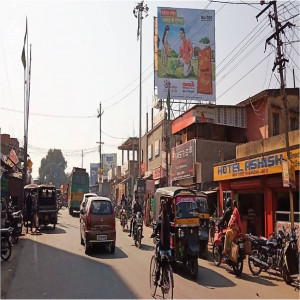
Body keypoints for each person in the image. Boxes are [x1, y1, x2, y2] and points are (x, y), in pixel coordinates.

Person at [150, 205, 171, 285]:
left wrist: (153, 234)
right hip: (168, 248)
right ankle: (167, 278)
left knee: (159, 262)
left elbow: (155, 231)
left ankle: (156, 279)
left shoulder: (160, 219)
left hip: (162, 247)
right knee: (166, 262)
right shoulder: (168, 219)